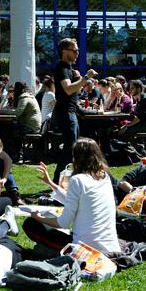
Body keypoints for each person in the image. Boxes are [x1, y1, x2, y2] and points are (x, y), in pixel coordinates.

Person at [23, 138, 120, 255]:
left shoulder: (77, 180)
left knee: (30, 225)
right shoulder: (104, 177)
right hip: (111, 248)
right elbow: (79, 201)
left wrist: (37, 217)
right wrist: (50, 183)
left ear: (76, 158)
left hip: (86, 249)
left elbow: (63, 223)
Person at [52, 38, 97, 184]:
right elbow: (68, 89)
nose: (77, 53)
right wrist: (85, 77)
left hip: (70, 112)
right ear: (65, 51)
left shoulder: (69, 69)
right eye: (74, 50)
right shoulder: (62, 68)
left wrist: (78, 78)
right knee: (71, 148)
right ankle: (57, 179)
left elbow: (73, 89)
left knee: (74, 148)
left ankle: (70, 178)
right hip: (65, 113)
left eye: (77, 50)